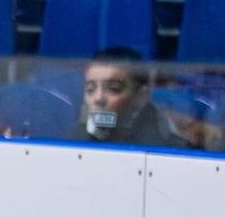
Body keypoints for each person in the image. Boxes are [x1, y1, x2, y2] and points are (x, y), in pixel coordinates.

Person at [80, 45, 218, 148]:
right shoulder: (75, 139)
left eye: (113, 89)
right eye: (90, 89)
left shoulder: (169, 147)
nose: (97, 98)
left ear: (141, 97)